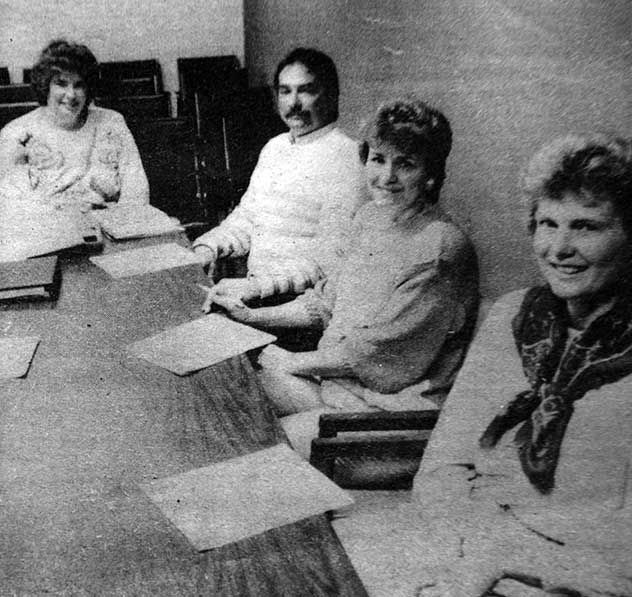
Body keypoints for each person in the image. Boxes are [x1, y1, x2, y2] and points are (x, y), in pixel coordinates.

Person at [337, 133, 632, 597]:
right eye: (547, 224)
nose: (559, 247)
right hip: (469, 548)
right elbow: (443, 465)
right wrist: (470, 546)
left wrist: (506, 558)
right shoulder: (514, 315)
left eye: (587, 227)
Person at [211, 99, 478, 451]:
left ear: (431, 174)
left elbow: (380, 354)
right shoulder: (370, 218)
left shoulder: (440, 246)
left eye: (406, 164)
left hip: (394, 413)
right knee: (227, 395)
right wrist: (253, 317)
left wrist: (291, 361)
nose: (386, 178)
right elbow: (324, 304)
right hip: (341, 390)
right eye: (378, 159)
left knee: (252, 444)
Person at [194, 47, 365, 297]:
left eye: (306, 90)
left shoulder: (349, 156)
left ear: (330, 95)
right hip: (255, 292)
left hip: (300, 307)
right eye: (285, 91)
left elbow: (329, 262)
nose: (294, 103)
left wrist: (256, 288)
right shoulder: (275, 147)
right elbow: (248, 218)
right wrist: (208, 248)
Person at [0, 39, 149, 211]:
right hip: (46, 231)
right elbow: (8, 205)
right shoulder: (15, 132)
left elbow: (137, 190)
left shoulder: (112, 122)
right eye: (61, 83)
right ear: (46, 86)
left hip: (110, 228)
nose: (71, 94)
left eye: (79, 85)